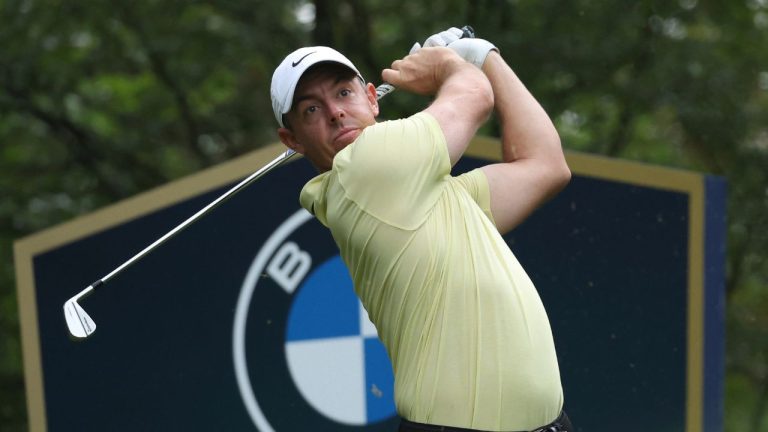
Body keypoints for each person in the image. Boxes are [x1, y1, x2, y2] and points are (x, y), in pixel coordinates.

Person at [270, 27, 573, 432]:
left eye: (344, 93)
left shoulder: (425, 196)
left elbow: (545, 165)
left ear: (372, 98)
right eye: (311, 109)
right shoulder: (361, 168)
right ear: (293, 139)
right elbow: (475, 97)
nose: (335, 112)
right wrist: (452, 63)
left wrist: (485, 58)